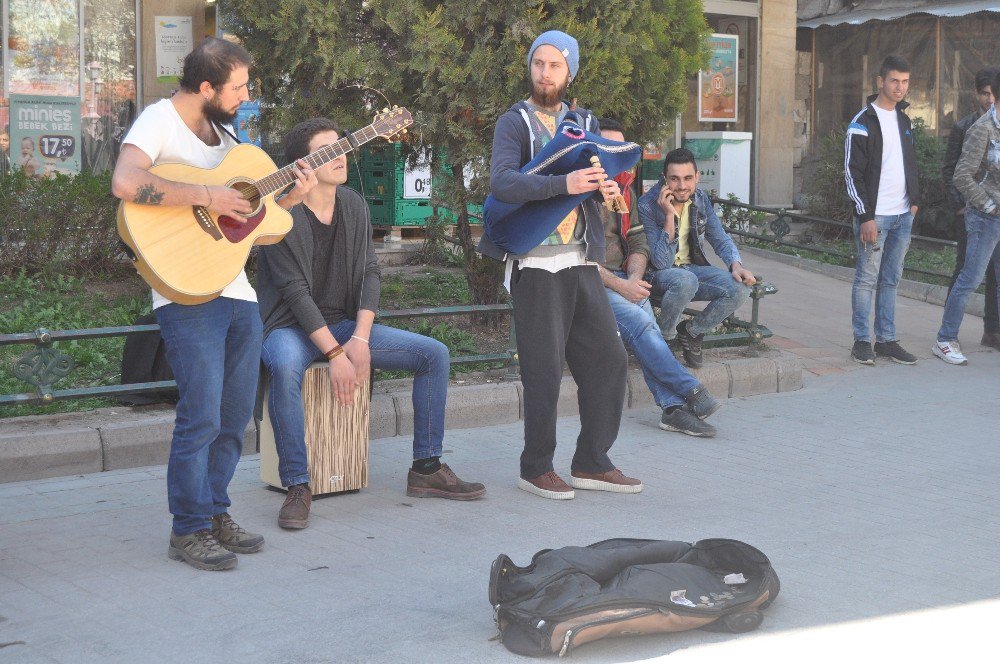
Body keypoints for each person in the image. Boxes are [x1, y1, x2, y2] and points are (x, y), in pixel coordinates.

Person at [111, 38, 316, 571]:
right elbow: (126, 181)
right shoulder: (158, 122)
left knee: (232, 416)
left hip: (235, 290)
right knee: (199, 415)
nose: (246, 97)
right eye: (239, 87)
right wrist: (206, 196)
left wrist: (289, 197)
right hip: (183, 290)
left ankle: (215, 511)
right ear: (206, 88)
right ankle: (188, 529)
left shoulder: (226, 135)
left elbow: (253, 222)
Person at [257, 118, 485, 529]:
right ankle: (297, 485)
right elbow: (295, 293)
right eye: (326, 152)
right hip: (288, 327)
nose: (340, 155)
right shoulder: (280, 215)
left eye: (340, 147)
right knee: (286, 365)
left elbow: (370, 274)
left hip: (343, 325)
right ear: (302, 166)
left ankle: (427, 466)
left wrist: (359, 339)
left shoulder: (354, 205)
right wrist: (335, 354)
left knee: (433, 354)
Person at [479, 30, 641, 500]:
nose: (544, 73)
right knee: (544, 371)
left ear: (570, 72)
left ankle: (592, 462)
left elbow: (598, 179)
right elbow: (503, 184)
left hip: (582, 263)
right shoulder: (514, 123)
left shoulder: (582, 120)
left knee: (609, 362)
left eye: (554, 66)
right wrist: (563, 184)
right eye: (538, 64)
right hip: (535, 263)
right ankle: (536, 467)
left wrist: (607, 191)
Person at [597, 121, 721, 437]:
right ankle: (690, 389)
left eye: (621, 149)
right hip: (590, 283)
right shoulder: (578, 191)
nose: (616, 155)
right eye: (607, 147)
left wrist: (634, 279)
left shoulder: (622, 187)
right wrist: (622, 286)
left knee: (648, 327)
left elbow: (638, 243)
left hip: (623, 277)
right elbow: (577, 259)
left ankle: (672, 409)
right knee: (642, 327)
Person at [637, 148, 756, 369]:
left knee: (739, 288)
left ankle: (691, 332)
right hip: (658, 276)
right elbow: (661, 262)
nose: (682, 186)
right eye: (675, 179)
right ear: (665, 179)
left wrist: (736, 264)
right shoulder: (647, 205)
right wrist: (669, 215)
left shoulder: (700, 199)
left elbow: (718, 237)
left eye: (688, 178)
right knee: (684, 280)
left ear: (697, 177)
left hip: (692, 270)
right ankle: (664, 339)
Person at [843, 54, 920, 366]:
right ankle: (862, 340)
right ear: (880, 81)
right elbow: (852, 174)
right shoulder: (861, 122)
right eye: (894, 81)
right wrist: (866, 216)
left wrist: (914, 202)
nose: (900, 87)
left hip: (903, 215)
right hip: (875, 217)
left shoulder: (904, 119)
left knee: (891, 280)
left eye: (904, 82)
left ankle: (886, 340)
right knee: (866, 279)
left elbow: (910, 163)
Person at [934, 69, 1000, 365]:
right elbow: (961, 175)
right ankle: (945, 339)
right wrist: (986, 206)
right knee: (969, 280)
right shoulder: (981, 129)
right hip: (986, 218)